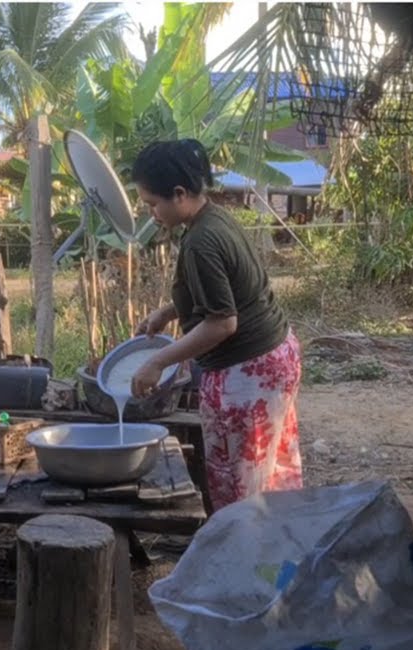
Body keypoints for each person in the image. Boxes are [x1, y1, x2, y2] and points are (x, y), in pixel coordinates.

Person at [128, 139, 303, 512]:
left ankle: (246, 561)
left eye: (152, 204)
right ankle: (277, 553)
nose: (152, 214)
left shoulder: (201, 242)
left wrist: (159, 361)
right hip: (274, 354)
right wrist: (168, 312)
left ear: (178, 194)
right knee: (269, 478)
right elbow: (225, 289)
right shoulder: (214, 217)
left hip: (249, 371)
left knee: (243, 492)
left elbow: (223, 323)